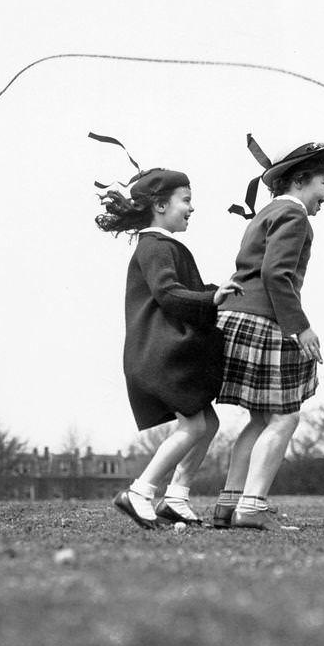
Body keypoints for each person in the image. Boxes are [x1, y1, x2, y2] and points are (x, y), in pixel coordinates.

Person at [96, 167, 242, 529]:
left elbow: (183, 290)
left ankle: (176, 497)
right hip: (160, 353)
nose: (192, 208)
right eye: (186, 200)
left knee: (207, 424)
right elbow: (169, 293)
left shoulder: (163, 245)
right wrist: (213, 297)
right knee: (194, 426)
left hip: (160, 352)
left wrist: (218, 291)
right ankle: (140, 491)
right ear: (160, 205)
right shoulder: (156, 246)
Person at [213, 140, 324, 531]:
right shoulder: (295, 216)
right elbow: (276, 274)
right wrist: (300, 327)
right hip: (263, 319)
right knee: (285, 418)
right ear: (301, 180)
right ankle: (251, 508)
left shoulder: (268, 211)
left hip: (237, 316)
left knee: (260, 420)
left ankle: (229, 504)